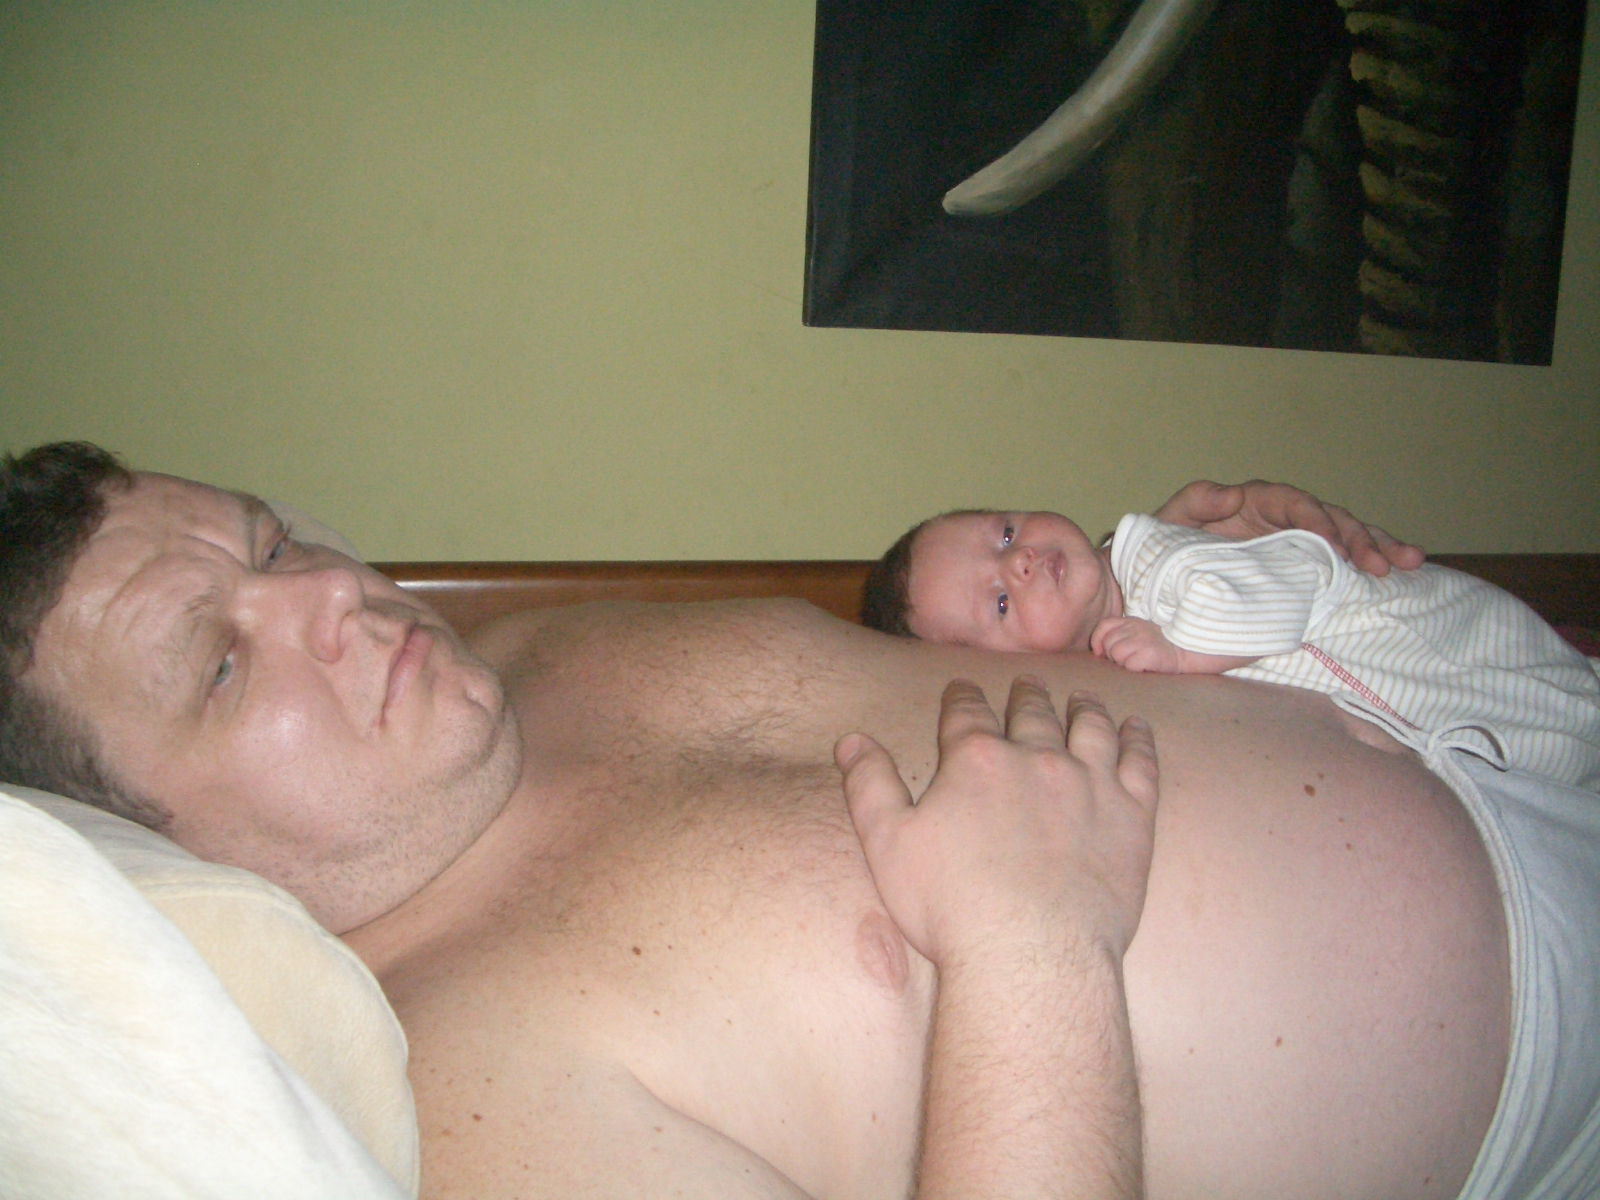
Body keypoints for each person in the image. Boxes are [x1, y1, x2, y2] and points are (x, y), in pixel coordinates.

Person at [3, 443, 1597, 1200]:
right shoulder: (472, 1113)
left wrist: (1213, 574)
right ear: (148, 845)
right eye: (221, 662)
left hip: (1476, 735)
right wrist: (1032, 948)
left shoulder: (526, 654)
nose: (331, 597)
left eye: (271, 542)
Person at [861, 507, 1600, 789]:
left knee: (1567, 711)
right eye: (999, 602)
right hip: (1429, 707)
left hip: (1439, 640)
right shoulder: (1117, 651)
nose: (1020, 561)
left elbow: (1287, 584)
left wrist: (1181, 653)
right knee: (1553, 760)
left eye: (1004, 533)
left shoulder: (1154, 557)